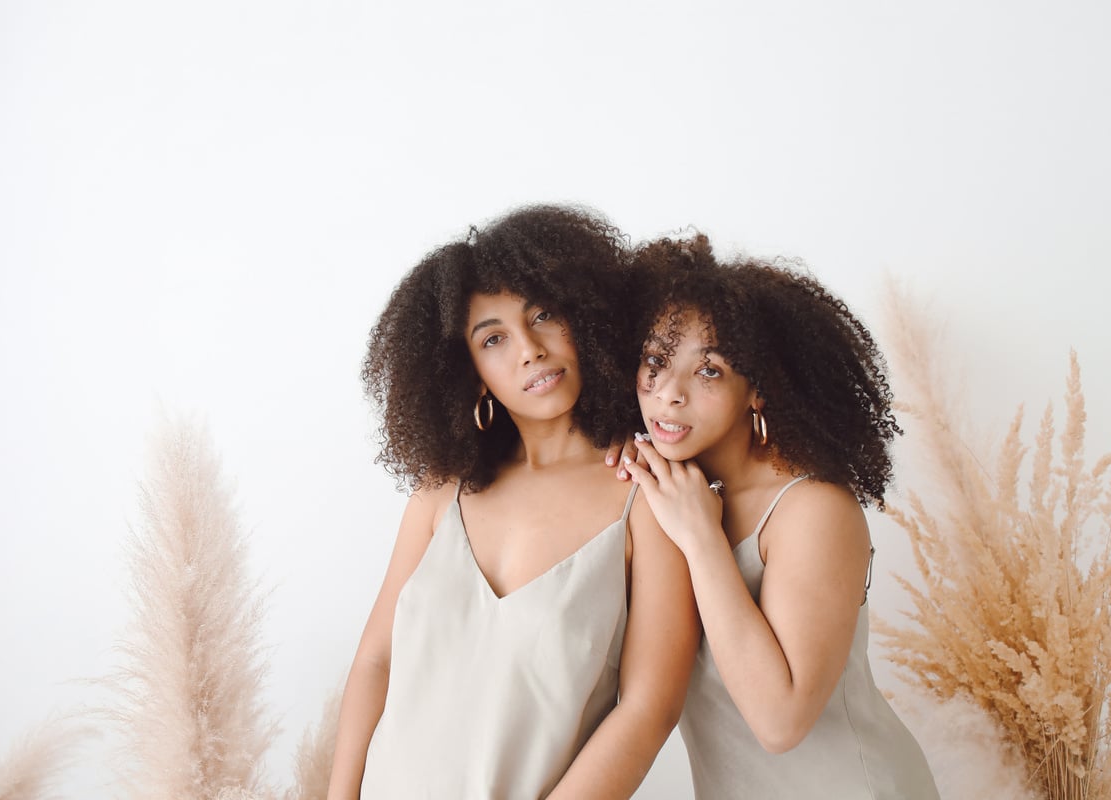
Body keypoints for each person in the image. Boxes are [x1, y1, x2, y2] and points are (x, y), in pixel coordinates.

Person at [326, 205, 700, 800]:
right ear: (470, 372)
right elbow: (375, 662)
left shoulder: (649, 497)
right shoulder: (439, 490)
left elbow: (650, 709)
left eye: (544, 315)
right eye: (493, 338)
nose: (529, 349)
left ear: (586, 322)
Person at [622, 234, 939, 799]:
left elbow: (780, 721)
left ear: (758, 392)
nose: (669, 393)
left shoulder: (813, 508)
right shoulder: (671, 489)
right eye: (656, 360)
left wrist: (700, 538)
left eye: (710, 371)